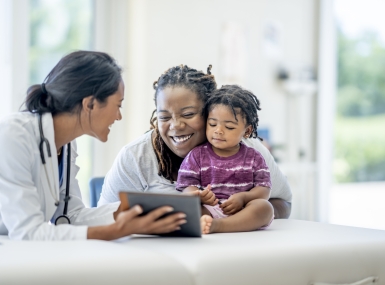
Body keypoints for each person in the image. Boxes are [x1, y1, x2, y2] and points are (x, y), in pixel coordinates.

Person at [0, 51, 186, 240]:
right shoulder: (13, 135)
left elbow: (70, 216)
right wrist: (115, 231)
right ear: (90, 104)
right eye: (118, 105)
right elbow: (28, 233)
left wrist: (134, 209)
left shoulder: (66, 145)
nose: (118, 116)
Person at [99, 65, 292, 220]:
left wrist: (239, 214)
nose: (175, 125)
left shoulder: (247, 149)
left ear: (211, 110)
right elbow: (105, 216)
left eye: (188, 114)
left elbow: (283, 203)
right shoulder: (135, 157)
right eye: (164, 117)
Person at [176, 85, 274, 234]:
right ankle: (209, 223)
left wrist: (243, 197)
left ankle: (219, 226)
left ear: (247, 131)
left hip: (243, 211)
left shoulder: (254, 157)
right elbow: (186, 187)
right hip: (208, 210)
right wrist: (199, 196)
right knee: (187, 207)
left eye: (229, 127)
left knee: (265, 208)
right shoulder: (196, 156)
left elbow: (264, 189)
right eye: (212, 124)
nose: (218, 130)